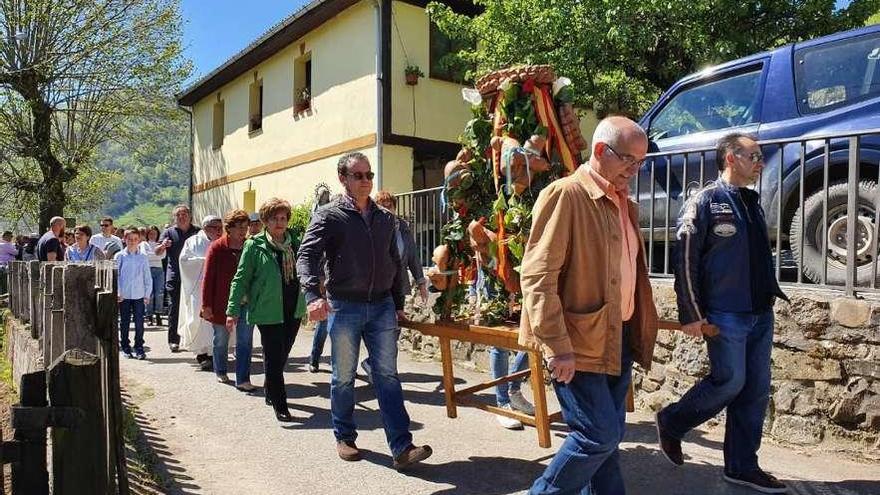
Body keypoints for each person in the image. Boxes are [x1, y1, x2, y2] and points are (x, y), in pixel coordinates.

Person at [519, 116, 659, 494]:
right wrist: (558, 346)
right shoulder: (566, 194)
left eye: (641, 162)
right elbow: (537, 276)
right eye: (628, 159)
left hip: (618, 336)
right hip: (577, 344)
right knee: (596, 435)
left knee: (607, 441)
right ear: (600, 151)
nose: (635, 169)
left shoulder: (623, 204)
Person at [656, 133, 789, 494]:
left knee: (756, 391)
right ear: (731, 158)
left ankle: (742, 466)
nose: (760, 162)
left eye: (761, 156)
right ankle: (672, 421)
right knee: (730, 381)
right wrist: (692, 314)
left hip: (760, 312)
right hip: (725, 314)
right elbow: (685, 259)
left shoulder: (752, 201)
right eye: (754, 156)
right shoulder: (705, 201)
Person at [297, 152, 432, 470]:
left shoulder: (387, 219)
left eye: (369, 174)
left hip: (382, 305)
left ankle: (402, 446)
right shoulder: (329, 216)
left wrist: (398, 305)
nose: (366, 180)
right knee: (343, 377)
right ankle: (344, 436)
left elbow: (395, 264)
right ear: (343, 179)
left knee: (387, 376)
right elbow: (307, 255)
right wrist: (312, 295)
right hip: (344, 306)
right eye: (358, 175)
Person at [227, 198, 306, 422]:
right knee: (272, 356)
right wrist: (232, 309)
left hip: (293, 308)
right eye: (274, 219)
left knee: (282, 354)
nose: (280, 223)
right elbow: (241, 278)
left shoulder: (295, 243)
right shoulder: (254, 245)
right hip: (267, 309)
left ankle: (270, 385)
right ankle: (281, 405)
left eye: (283, 218)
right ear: (265, 221)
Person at [202, 209, 257, 389]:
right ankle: (221, 370)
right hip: (221, 303)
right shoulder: (217, 247)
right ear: (229, 228)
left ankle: (243, 379)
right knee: (221, 339)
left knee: (245, 341)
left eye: (245, 227)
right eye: (239, 227)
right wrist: (206, 305)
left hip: (246, 302)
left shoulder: (251, 245)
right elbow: (208, 278)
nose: (243, 231)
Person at [179, 215, 223, 370]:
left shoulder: (222, 243)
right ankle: (202, 354)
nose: (219, 231)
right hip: (198, 289)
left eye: (220, 228)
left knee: (215, 322)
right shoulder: (193, 242)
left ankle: (214, 354)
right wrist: (205, 262)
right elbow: (184, 261)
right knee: (200, 321)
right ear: (206, 228)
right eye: (215, 228)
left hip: (217, 290)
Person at [159, 205, 200, 352]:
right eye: (178, 215)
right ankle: (173, 340)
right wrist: (163, 246)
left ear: (190, 216)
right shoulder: (168, 232)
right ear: (174, 217)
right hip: (175, 276)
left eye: (184, 214)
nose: (181, 217)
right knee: (174, 308)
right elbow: (157, 252)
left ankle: (194, 339)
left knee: (195, 309)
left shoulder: (198, 232)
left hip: (194, 277)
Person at [115, 226, 152, 360]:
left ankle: (139, 347)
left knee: (139, 322)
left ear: (139, 240)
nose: (132, 241)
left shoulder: (142, 257)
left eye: (135, 239)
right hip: (124, 295)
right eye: (129, 239)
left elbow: (147, 276)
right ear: (125, 239)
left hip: (139, 294)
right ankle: (125, 346)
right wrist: (118, 292)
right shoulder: (119, 256)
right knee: (124, 322)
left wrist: (147, 293)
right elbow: (117, 275)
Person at [139, 226, 166, 326]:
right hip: (148, 269)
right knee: (149, 294)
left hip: (159, 270)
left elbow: (163, 256)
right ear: (147, 234)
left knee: (159, 293)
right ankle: (149, 315)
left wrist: (154, 254)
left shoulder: (160, 244)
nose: (152, 235)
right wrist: (156, 253)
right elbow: (144, 255)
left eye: (154, 233)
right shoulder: (144, 244)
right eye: (150, 233)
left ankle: (158, 314)